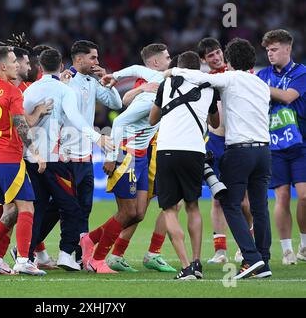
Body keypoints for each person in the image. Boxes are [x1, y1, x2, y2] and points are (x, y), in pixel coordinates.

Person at [169, 38, 272, 279]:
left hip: (240, 150)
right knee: (260, 207)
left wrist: (172, 70)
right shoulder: (261, 84)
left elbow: (197, 77)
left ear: (229, 61)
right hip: (264, 151)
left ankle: (252, 258)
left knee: (230, 204)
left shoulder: (229, 78)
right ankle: (263, 260)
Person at [23, 48, 113, 271]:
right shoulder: (64, 90)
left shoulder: (30, 90)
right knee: (72, 208)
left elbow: (21, 122)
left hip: (32, 158)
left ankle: (26, 256)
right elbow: (77, 119)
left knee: (41, 206)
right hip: (55, 159)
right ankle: (65, 254)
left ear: (40, 67)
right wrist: (97, 137)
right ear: (62, 66)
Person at [97, 43, 175, 273]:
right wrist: (112, 156)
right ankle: (97, 250)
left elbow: (133, 69)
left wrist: (115, 75)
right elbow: (120, 118)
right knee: (130, 212)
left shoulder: (155, 78)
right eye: (168, 57)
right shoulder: (153, 91)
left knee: (138, 212)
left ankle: (98, 246)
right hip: (128, 155)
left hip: (143, 156)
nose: (170, 61)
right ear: (156, 62)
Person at [0, 45, 46, 277]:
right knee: (26, 207)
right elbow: (20, 124)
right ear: (3, 66)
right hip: (9, 160)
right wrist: (34, 151)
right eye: (14, 61)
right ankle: (23, 260)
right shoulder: (12, 91)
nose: (17, 65)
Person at [150, 51, 220, 279]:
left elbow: (153, 119)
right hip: (195, 152)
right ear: (198, 67)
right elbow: (216, 122)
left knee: (170, 209)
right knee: (193, 206)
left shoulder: (166, 84)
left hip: (168, 150)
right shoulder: (209, 87)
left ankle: (185, 266)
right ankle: (197, 262)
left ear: (178, 66)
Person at [197, 37, 253, 264]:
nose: (216, 57)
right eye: (210, 55)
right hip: (215, 143)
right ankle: (220, 251)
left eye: (218, 52)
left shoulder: (238, 74)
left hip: (237, 141)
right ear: (203, 60)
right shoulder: (206, 81)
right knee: (218, 198)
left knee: (243, 200)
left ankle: (246, 245)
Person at [257, 29, 306, 265]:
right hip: (274, 144)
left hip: (300, 143)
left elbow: (288, 97)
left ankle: (304, 244)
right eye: (267, 50)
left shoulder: (301, 72)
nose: (270, 53)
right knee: (282, 196)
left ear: (288, 48)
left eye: (274, 49)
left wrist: (261, 90)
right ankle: (287, 251)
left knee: (304, 196)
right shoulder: (263, 74)